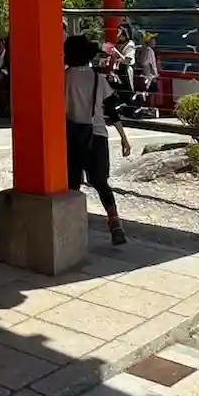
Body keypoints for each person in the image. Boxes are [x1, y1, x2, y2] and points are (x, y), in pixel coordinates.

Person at [64, 34, 131, 245]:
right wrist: (124, 138)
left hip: (70, 136)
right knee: (101, 182)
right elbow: (111, 110)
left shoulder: (62, 78)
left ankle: (70, 227)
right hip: (97, 134)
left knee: (71, 184)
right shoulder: (98, 78)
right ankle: (114, 222)